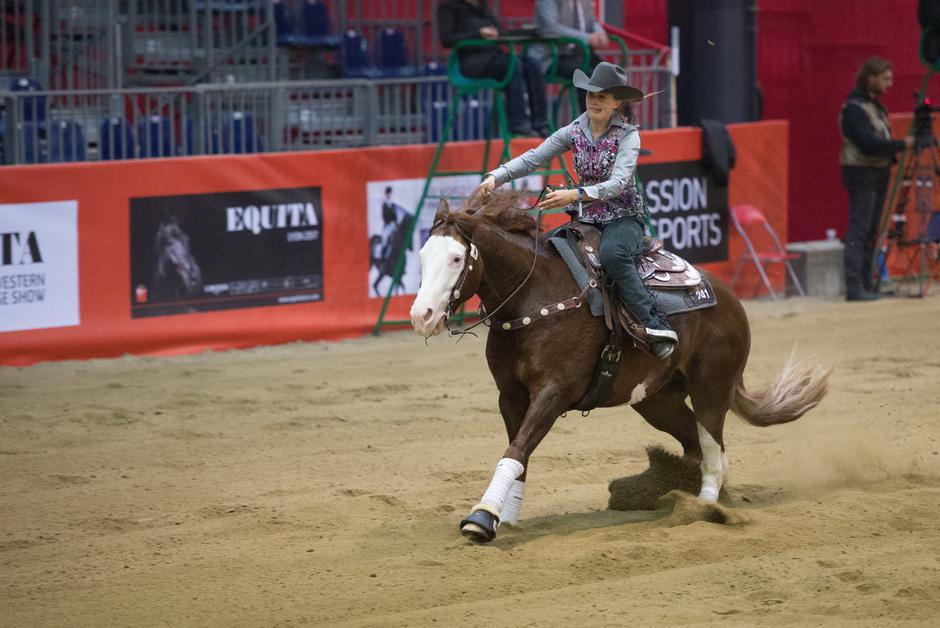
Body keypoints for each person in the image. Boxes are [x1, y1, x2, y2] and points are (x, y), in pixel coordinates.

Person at [474, 62, 678, 358]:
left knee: (614, 255)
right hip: (586, 218)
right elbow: (535, 157)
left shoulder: (628, 136)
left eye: (603, 96)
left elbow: (619, 184)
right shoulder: (574, 131)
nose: (594, 100)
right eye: (591, 94)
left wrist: (574, 194)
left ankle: (653, 322)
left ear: (616, 103)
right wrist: (497, 175)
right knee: (545, 250)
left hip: (623, 218)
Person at [839, 56, 914, 301]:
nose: (889, 84)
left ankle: (868, 283)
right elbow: (868, 144)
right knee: (860, 229)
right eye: (885, 78)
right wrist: (902, 144)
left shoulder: (873, 105)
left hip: (877, 171)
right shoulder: (854, 108)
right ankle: (854, 285)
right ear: (871, 78)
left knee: (871, 230)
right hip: (862, 173)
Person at [438, 0, 551, 138]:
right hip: (471, 62)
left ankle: (541, 123)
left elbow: (499, 32)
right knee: (513, 65)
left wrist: (526, 33)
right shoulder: (448, 7)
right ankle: (519, 124)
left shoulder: (482, 6)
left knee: (532, 64)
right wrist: (478, 33)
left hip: (494, 56)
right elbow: (447, 40)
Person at [530, 0, 607, 112]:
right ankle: (593, 124)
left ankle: (624, 123)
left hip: (576, 53)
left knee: (613, 73)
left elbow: (592, 21)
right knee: (586, 75)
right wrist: (587, 38)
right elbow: (551, 29)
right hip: (551, 56)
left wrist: (600, 34)